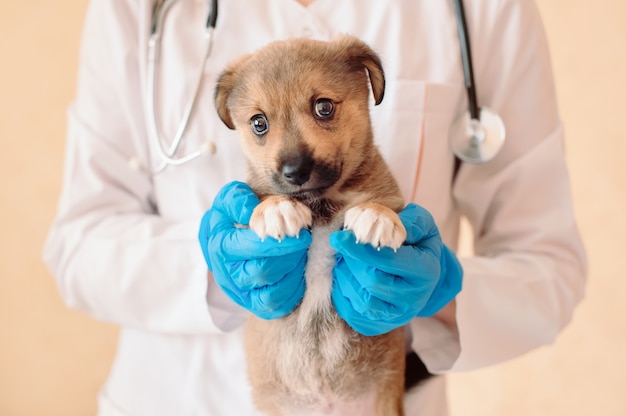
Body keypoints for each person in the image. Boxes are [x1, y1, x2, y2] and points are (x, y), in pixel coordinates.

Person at [43, 0, 587, 414]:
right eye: (259, 125)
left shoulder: (482, 9)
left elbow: (549, 265)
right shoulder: (137, 9)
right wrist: (210, 269)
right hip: (178, 397)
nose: (292, 157)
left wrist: (440, 289)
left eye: (325, 109)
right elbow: (77, 244)